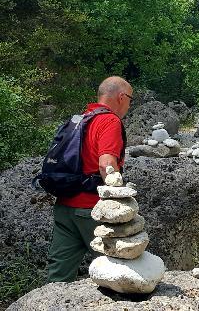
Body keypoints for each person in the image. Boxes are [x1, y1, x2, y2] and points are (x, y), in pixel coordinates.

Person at [46, 76, 132, 282]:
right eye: (131, 99)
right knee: (116, 270)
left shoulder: (82, 118)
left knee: (58, 275)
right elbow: (106, 164)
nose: (130, 104)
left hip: (65, 207)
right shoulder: (109, 121)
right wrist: (118, 203)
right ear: (121, 97)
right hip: (91, 210)